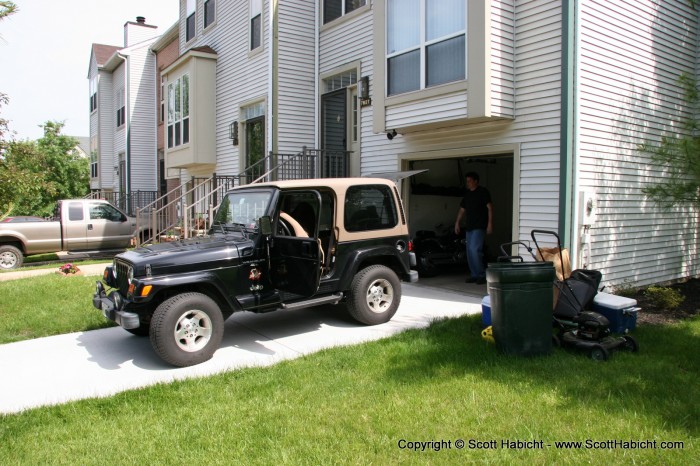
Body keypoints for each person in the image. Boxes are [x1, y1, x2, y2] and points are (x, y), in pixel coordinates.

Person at [454, 172, 493, 285]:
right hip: (469, 227)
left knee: (475, 250)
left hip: (479, 226)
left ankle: (482, 274)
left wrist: (490, 224)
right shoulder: (467, 194)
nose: (468, 183)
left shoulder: (483, 192)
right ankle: (474, 274)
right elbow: (462, 209)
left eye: (470, 181)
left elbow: (490, 208)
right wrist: (457, 222)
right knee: (469, 251)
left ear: (476, 181)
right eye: (467, 181)